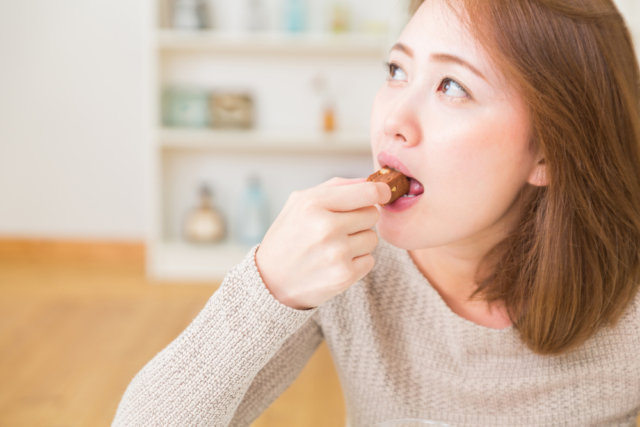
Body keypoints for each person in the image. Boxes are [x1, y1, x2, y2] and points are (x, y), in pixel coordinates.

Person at [112, 0, 640, 425]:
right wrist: (268, 288)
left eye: (452, 86)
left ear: (549, 150)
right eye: (396, 70)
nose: (393, 119)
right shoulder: (347, 263)